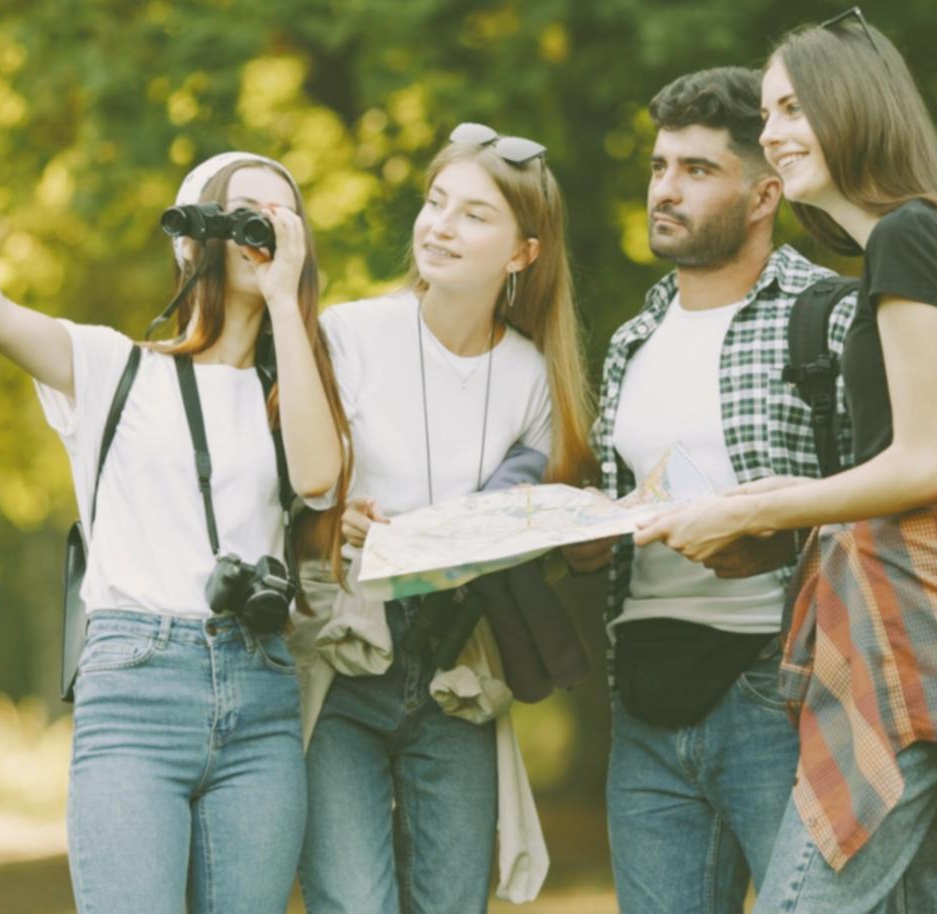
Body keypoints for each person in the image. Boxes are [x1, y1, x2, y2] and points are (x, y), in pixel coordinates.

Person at [0, 143, 348, 913]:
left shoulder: (294, 388)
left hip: (259, 695)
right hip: (136, 690)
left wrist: (286, 301)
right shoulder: (115, 369)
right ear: (194, 239)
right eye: (243, 212)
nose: (262, 231)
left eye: (281, 217)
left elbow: (318, 479)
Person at [637, 13, 937, 913]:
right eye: (767, 111)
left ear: (854, 105)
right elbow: (915, 455)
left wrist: (753, 514)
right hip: (922, 615)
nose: (775, 132)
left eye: (792, 107)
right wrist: (785, 493)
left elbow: (924, 464)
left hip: (918, 625)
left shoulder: (908, 238)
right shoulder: (917, 238)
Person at [560, 67, 856, 913]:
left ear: (764, 194)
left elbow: (892, 500)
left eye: (697, 170)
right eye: (659, 168)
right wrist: (585, 540)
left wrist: (776, 537)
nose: (667, 190)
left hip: (782, 690)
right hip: (644, 694)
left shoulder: (832, 315)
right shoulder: (631, 341)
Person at [295, 124, 597, 913]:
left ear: (523, 253)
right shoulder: (348, 336)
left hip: (457, 674)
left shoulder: (534, 379)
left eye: (473, 215)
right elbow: (285, 500)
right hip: (344, 665)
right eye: (435, 203)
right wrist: (335, 525)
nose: (439, 226)